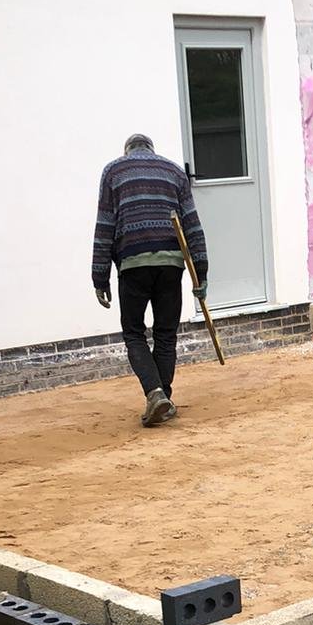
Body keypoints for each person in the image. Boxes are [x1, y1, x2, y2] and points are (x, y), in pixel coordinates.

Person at [92, 133, 209, 429]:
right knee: (166, 333)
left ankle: (156, 394)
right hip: (171, 264)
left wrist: (99, 276)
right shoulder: (174, 172)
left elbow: (105, 224)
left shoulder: (113, 171)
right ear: (151, 150)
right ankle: (163, 399)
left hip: (133, 263)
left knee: (134, 333)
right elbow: (192, 224)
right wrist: (202, 273)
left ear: (127, 149)